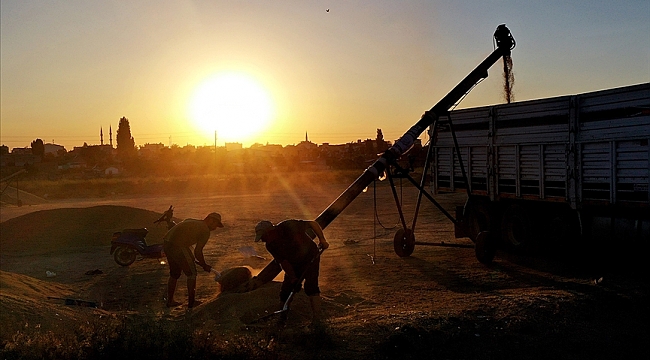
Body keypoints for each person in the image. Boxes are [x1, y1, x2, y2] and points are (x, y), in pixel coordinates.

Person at [254, 219, 329, 324]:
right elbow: (283, 262)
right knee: (286, 290)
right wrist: (293, 277)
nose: (262, 240)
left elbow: (313, 224)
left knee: (311, 286)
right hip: (293, 263)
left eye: (263, 237)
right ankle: (282, 317)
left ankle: (317, 319)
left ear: (269, 232)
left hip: (310, 256)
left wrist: (322, 240)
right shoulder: (271, 245)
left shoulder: (289, 226)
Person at [163, 212, 224, 308]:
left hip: (167, 243)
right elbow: (198, 251)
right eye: (216, 225)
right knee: (192, 273)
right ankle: (191, 302)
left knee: (174, 274)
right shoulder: (205, 230)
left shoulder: (192, 220)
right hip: (178, 246)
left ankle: (170, 301)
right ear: (211, 220)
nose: (215, 228)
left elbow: (186, 237)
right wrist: (204, 265)